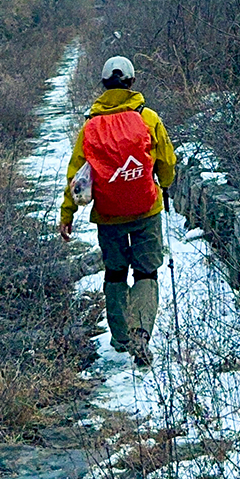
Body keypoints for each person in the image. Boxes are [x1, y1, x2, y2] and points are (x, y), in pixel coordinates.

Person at [59, 55, 176, 367]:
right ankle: (141, 332)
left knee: (115, 273)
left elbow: (76, 176)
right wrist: (164, 184)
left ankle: (122, 338)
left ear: (103, 85)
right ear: (132, 83)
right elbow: (167, 161)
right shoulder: (148, 118)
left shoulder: (90, 126)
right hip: (146, 209)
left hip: (109, 214)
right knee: (146, 272)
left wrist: (67, 214)